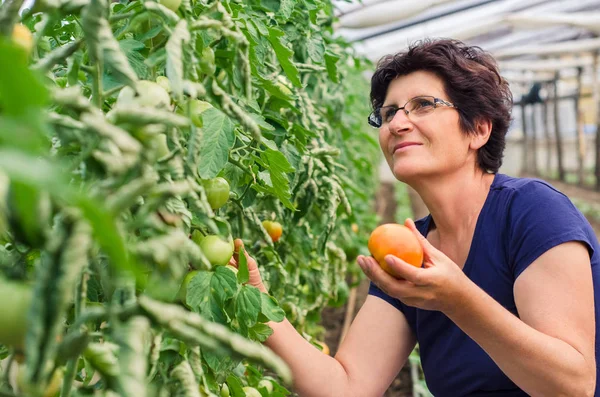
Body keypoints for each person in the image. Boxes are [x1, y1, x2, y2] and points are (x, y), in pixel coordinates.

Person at [230, 38, 599, 396]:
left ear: (480, 130)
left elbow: (572, 386)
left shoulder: (532, 212)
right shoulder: (407, 250)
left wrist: (457, 299)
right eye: (389, 113)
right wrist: (257, 300)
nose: (397, 124)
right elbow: (346, 386)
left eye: (423, 105)